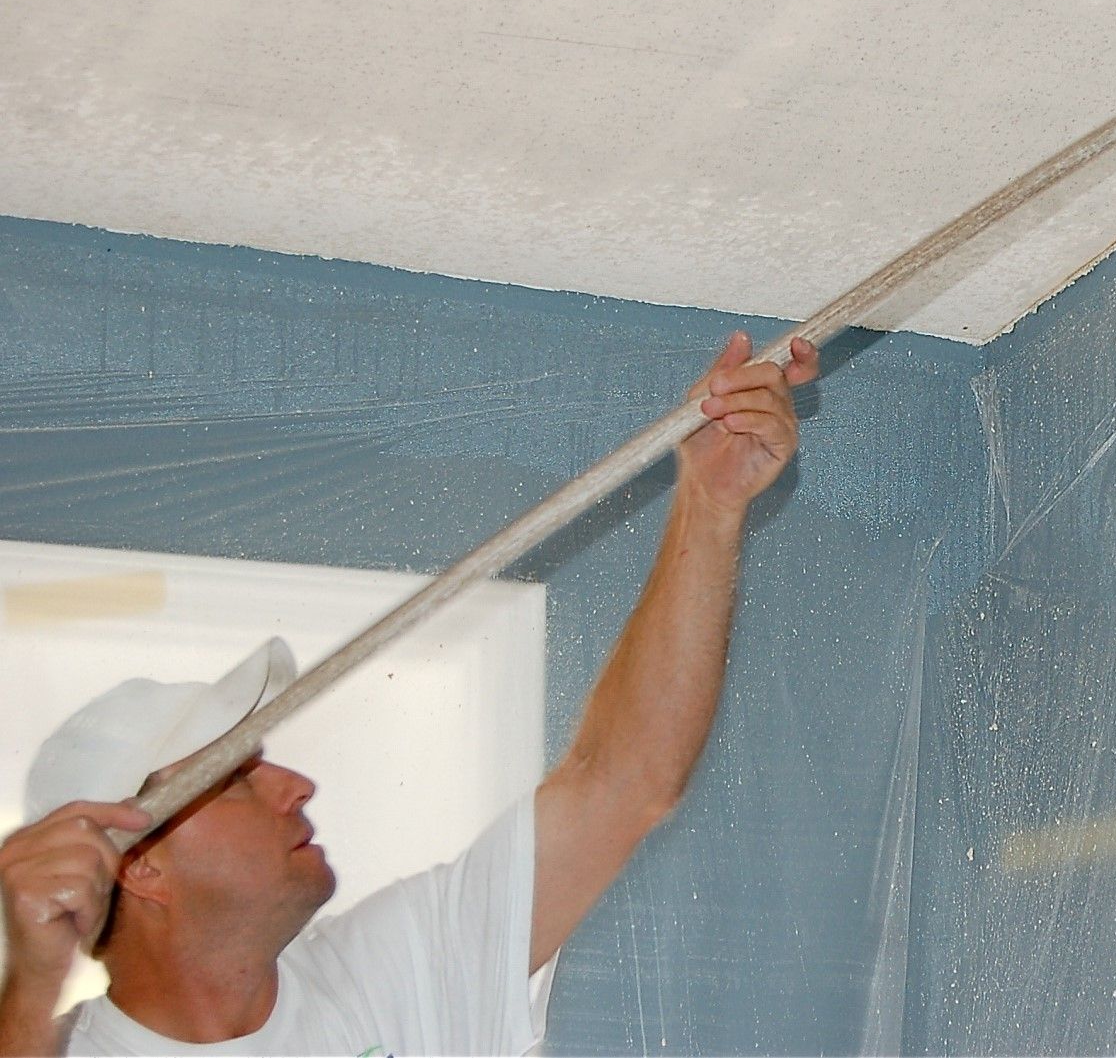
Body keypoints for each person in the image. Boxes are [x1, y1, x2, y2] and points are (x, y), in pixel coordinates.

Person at [0, 331, 819, 1057]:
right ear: (138, 865)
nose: (296, 784)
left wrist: (710, 504)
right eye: (237, 778)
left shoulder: (405, 965)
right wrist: (32, 988)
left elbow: (623, 780)